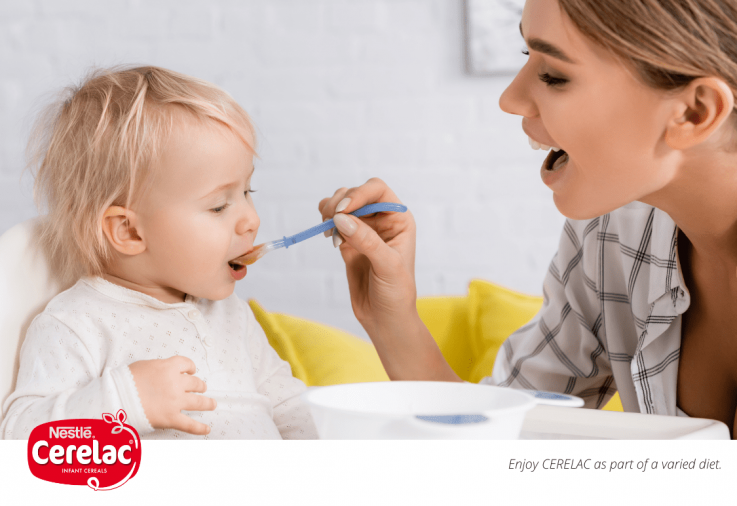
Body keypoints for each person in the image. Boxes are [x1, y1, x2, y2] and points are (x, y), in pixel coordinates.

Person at [319, 0, 737, 439]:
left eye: (554, 75)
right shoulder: (612, 233)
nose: (509, 99)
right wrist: (393, 318)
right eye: (526, 56)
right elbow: (500, 438)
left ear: (694, 112)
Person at [1, 66, 318, 440]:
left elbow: (290, 407)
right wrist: (124, 398)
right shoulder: (77, 324)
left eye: (248, 193)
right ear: (129, 231)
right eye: (219, 206)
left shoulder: (232, 315)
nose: (251, 219)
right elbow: (22, 437)